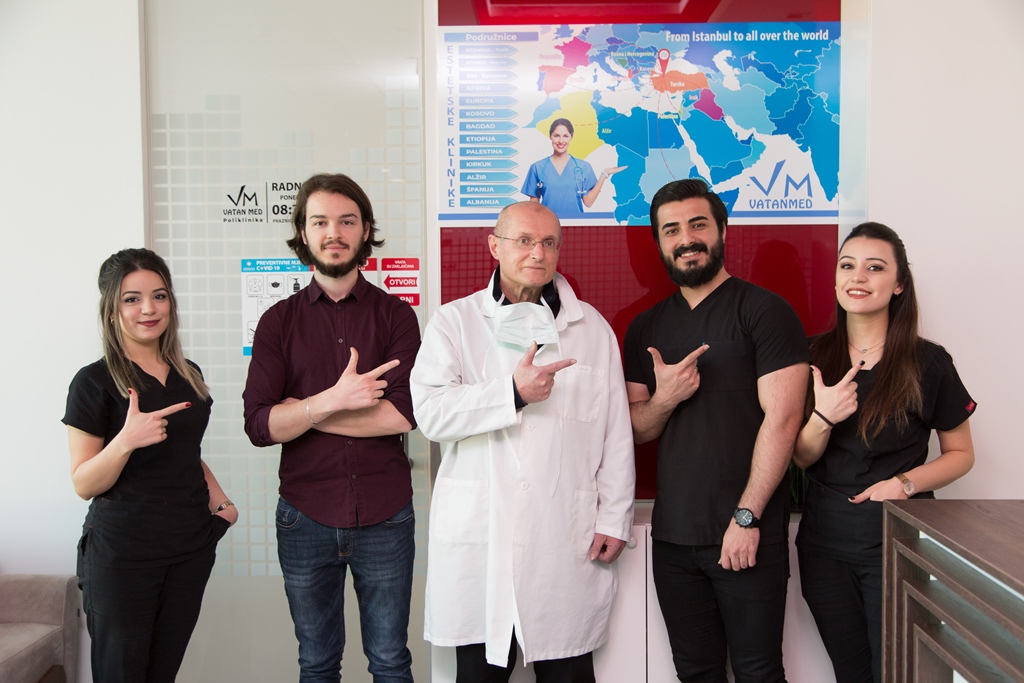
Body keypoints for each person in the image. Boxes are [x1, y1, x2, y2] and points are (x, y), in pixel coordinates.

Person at [411, 201, 635, 682]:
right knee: (479, 672)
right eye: (524, 240)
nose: (538, 253)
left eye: (549, 242)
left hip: (563, 538)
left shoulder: (591, 329)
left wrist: (615, 517)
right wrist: (511, 393)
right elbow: (430, 413)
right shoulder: (454, 322)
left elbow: (615, 433)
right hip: (482, 537)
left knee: (568, 670)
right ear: (495, 246)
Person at [624, 178, 808, 682]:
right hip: (673, 539)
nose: (686, 239)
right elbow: (637, 429)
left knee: (758, 672)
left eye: (698, 225)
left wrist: (746, 518)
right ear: (659, 242)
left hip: (747, 530)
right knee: (695, 672)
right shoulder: (644, 327)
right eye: (671, 230)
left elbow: (784, 420)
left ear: (722, 230)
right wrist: (666, 398)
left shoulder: (765, 311)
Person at [243, 173, 420, 682]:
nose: (333, 233)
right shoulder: (277, 322)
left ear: (365, 231)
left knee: (390, 661)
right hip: (305, 516)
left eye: (347, 221)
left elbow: (403, 415)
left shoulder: (397, 317)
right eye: (320, 222)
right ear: (303, 232)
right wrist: (333, 401)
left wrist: (305, 413)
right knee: (317, 665)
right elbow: (260, 424)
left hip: (386, 515)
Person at [794, 222, 976, 683]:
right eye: (847, 266)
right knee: (851, 672)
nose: (858, 277)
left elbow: (961, 453)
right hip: (824, 543)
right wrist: (823, 417)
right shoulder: (811, 357)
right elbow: (801, 458)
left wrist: (903, 484)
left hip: (897, 540)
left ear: (898, 285)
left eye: (875, 268)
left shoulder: (928, 362)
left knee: (896, 673)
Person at [65, 248, 236, 683]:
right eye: (132, 299)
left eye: (159, 296)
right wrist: (126, 440)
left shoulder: (188, 373)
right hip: (123, 554)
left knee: (163, 673)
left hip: (189, 547)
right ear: (111, 310)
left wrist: (223, 506)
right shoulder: (93, 381)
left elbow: (186, 451)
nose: (149, 308)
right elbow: (84, 483)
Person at [520, 118, 625, 219]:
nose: (561, 141)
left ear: (571, 137)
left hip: (576, 224)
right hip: (548, 224)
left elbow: (588, 202)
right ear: (550, 136)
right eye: (556, 136)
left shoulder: (584, 167)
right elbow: (534, 205)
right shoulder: (537, 168)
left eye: (565, 136)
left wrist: (604, 175)